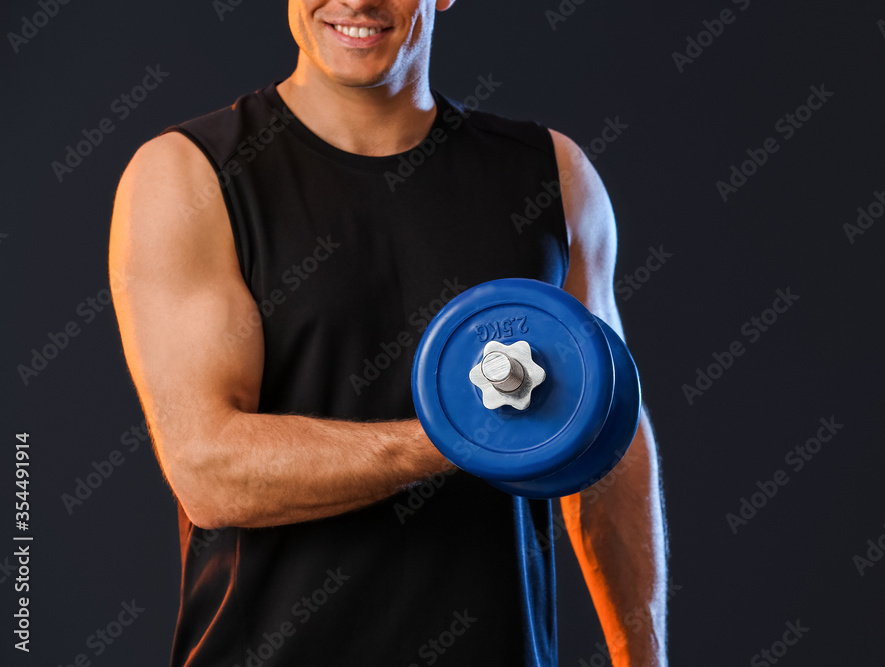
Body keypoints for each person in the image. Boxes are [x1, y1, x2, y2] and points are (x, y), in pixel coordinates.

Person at [108, 1, 666, 665]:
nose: (357, 2)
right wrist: (462, 435)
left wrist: (644, 656)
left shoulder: (552, 176)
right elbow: (208, 469)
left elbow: (609, 432)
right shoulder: (189, 177)